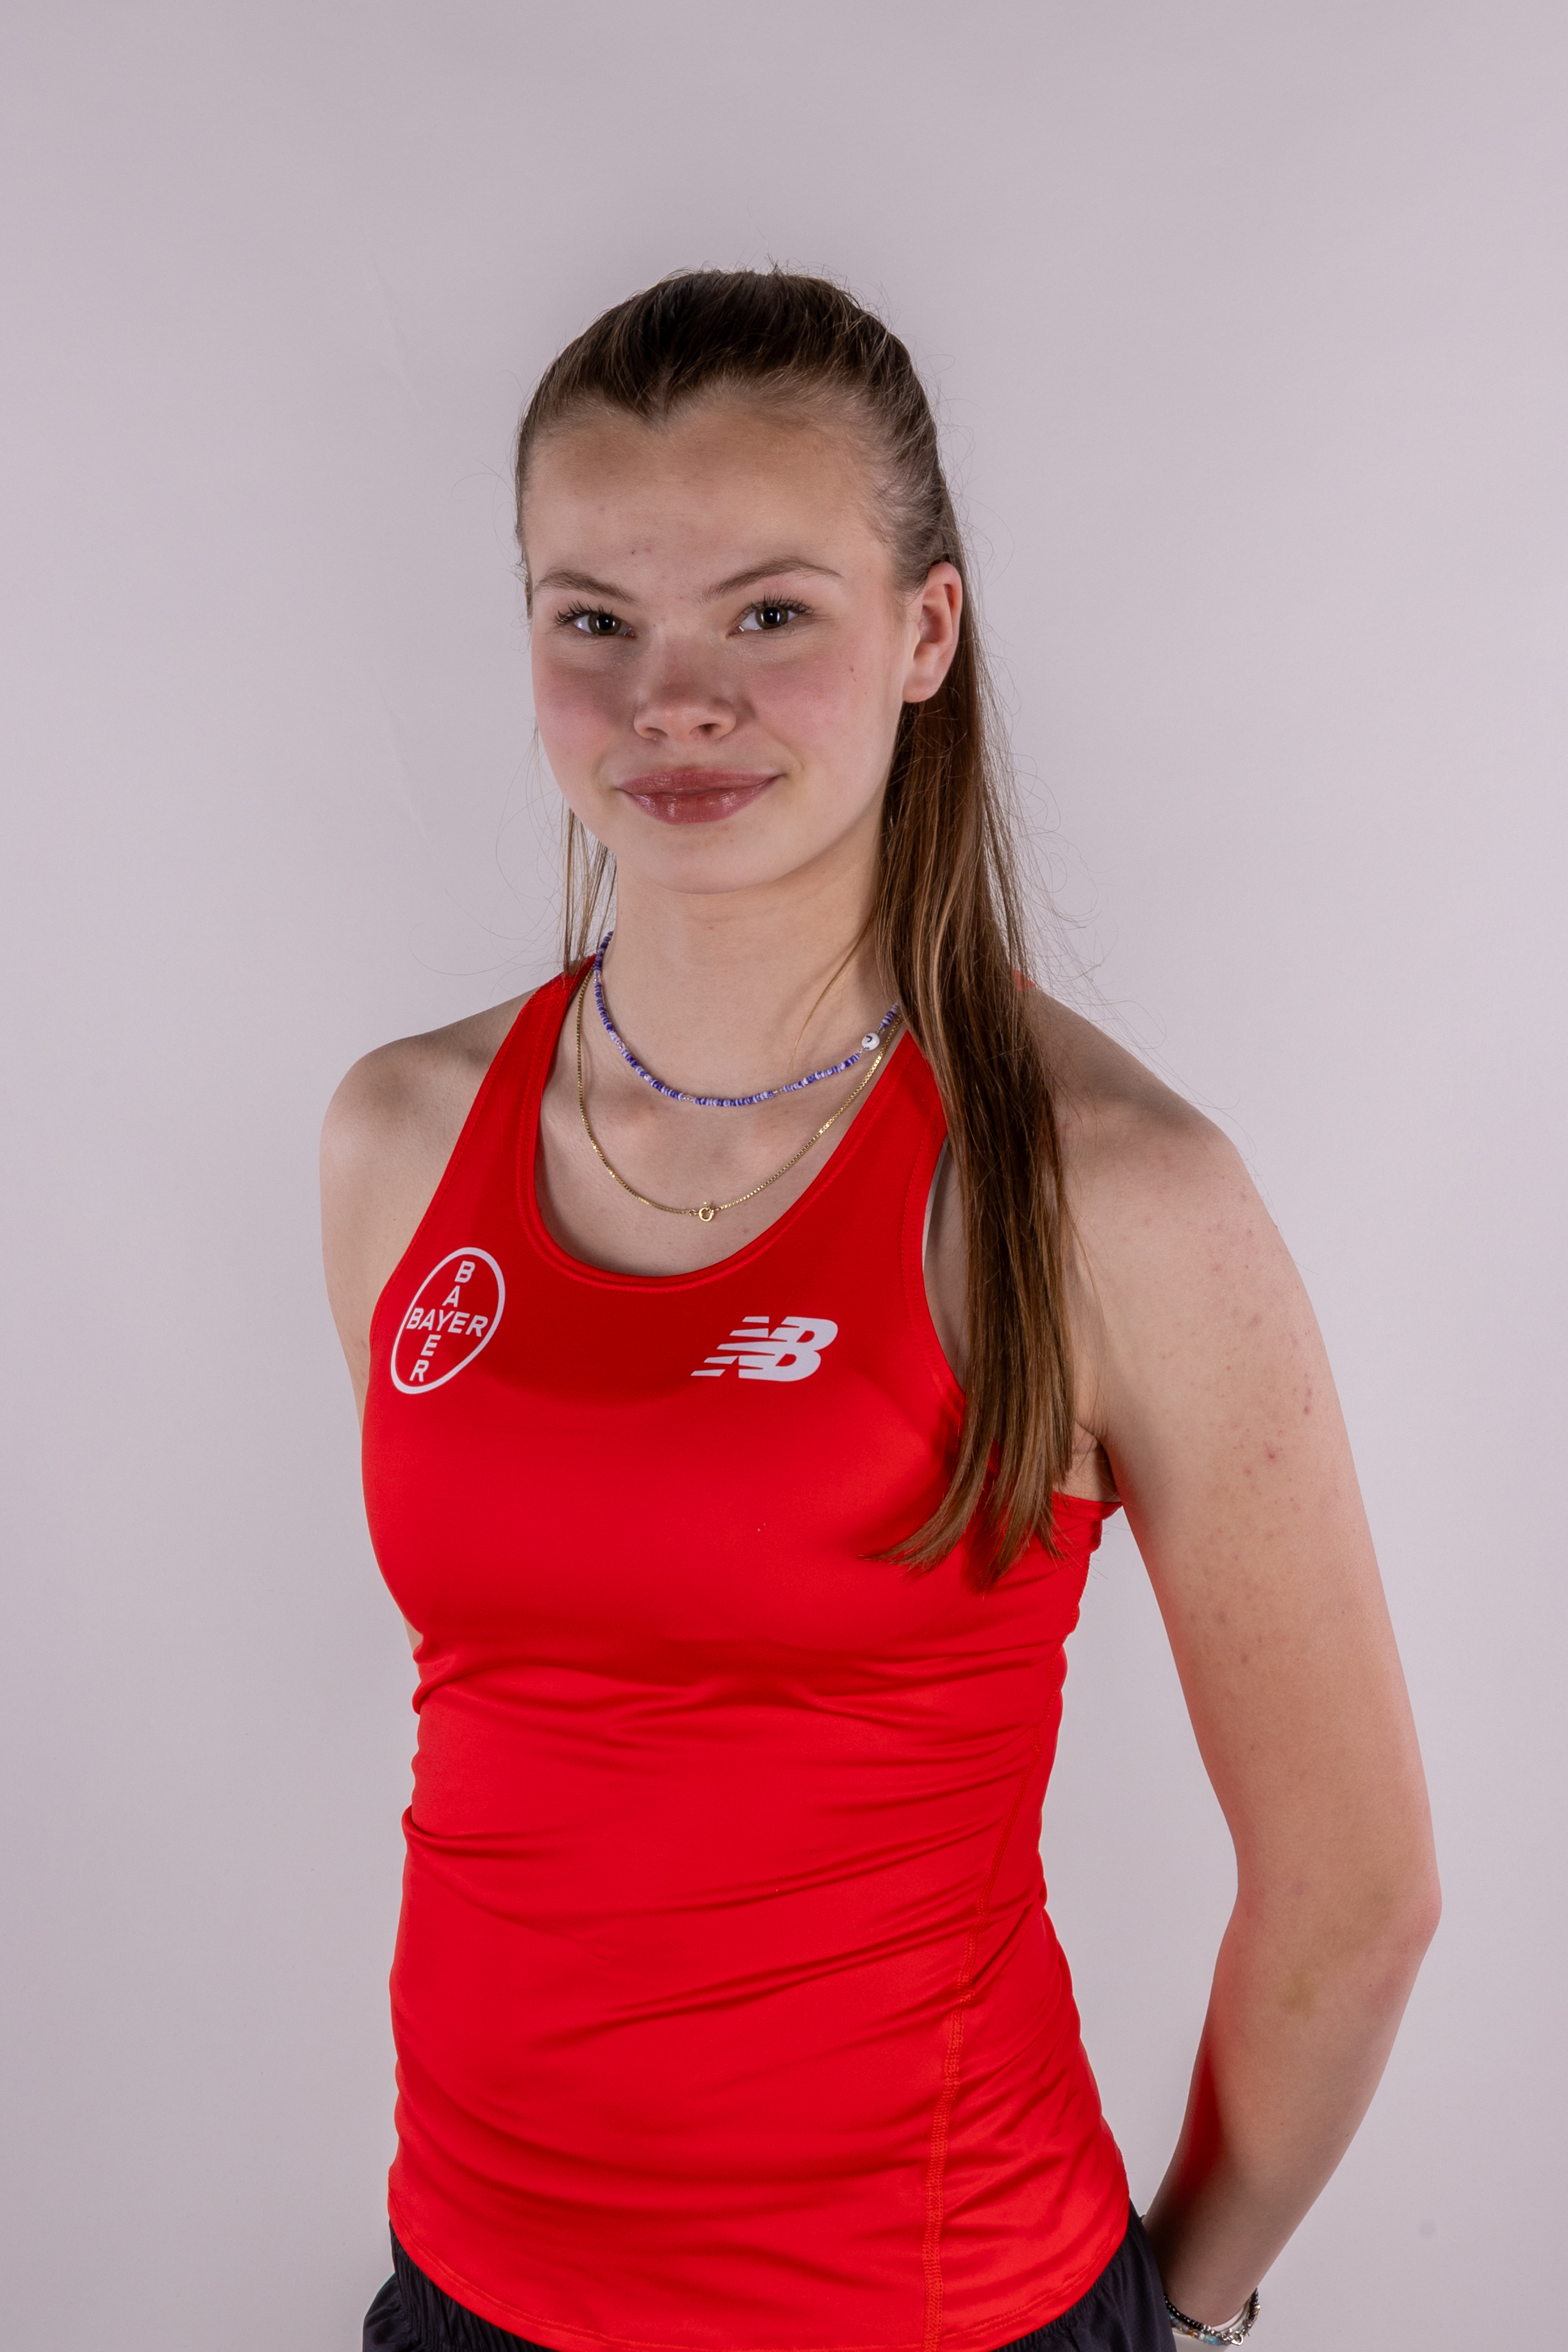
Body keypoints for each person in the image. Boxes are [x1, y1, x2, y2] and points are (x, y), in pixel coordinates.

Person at [321, 270, 1439, 2352]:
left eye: (770, 612)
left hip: (943, 2315)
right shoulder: (401, 1140)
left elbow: (1357, 1895)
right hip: (461, 2295)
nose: (674, 700)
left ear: (928, 633)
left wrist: (1174, 2317)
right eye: (595, 620)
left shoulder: (1105, 1194)